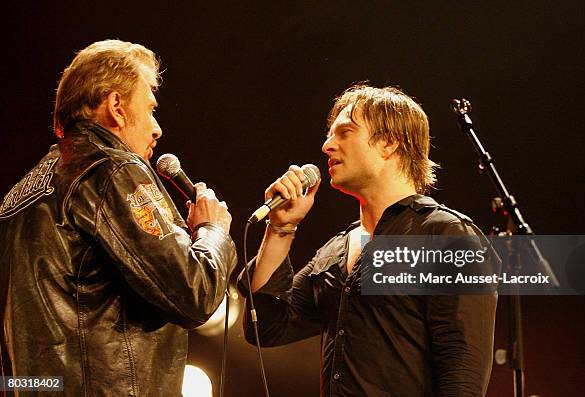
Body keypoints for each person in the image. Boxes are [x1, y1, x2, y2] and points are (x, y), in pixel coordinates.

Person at [0, 40, 237, 395]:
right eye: (150, 109)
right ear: (117, 107)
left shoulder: (14, 198)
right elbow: (194, 293)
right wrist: (212, 230)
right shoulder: (113, 168)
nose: (157, 128)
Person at [240, 85, 497, 396]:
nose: (326, 146)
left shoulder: (446, 236)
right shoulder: (337, 249)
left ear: (389, 142)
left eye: (344, 132)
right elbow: (265, 328)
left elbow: (463, 378)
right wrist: (281, 228)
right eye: (329, 135)